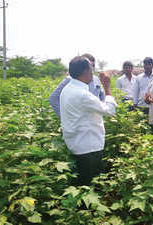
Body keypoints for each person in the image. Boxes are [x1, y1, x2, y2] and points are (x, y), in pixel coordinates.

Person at [60, 56, 117, 186]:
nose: (93, 73)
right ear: (85, 72)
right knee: (91, 188)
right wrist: (107, 87)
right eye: (91, 70)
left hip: (76, 145)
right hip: (89, 148)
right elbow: (110, 111)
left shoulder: (67, 89)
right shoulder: (82, 94)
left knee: (81, 186)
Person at [49, 53, 105, 117]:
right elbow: (53, 98)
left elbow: (102, 96)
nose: (91, 69)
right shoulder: (70, 80)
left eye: (93, 66)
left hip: (93, 120)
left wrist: (100, 112)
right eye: (89, 66)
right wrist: (64, 116)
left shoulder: (96, 79)